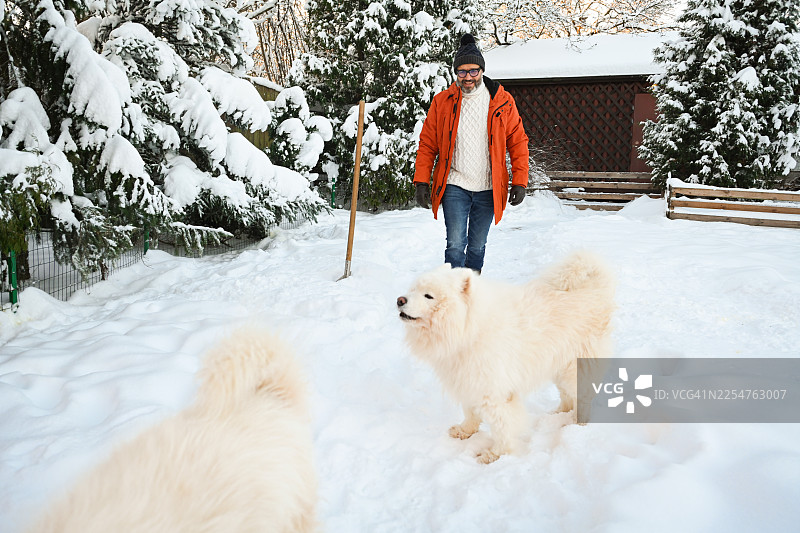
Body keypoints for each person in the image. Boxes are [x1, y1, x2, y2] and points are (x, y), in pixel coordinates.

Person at [413, 33, 530, 273]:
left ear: (482, 71)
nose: (468, 77)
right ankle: (452, 294)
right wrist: (421, 181)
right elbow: (428, 144)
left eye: (473, 71)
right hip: (455, 184)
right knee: (455, 245)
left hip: (488, 187)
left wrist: (520, 181)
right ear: (456, 73)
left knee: (477, 246)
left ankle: (470, 291)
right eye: (462, 72)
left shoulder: (502, 101)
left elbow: (518, 142)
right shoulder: (442, 102)